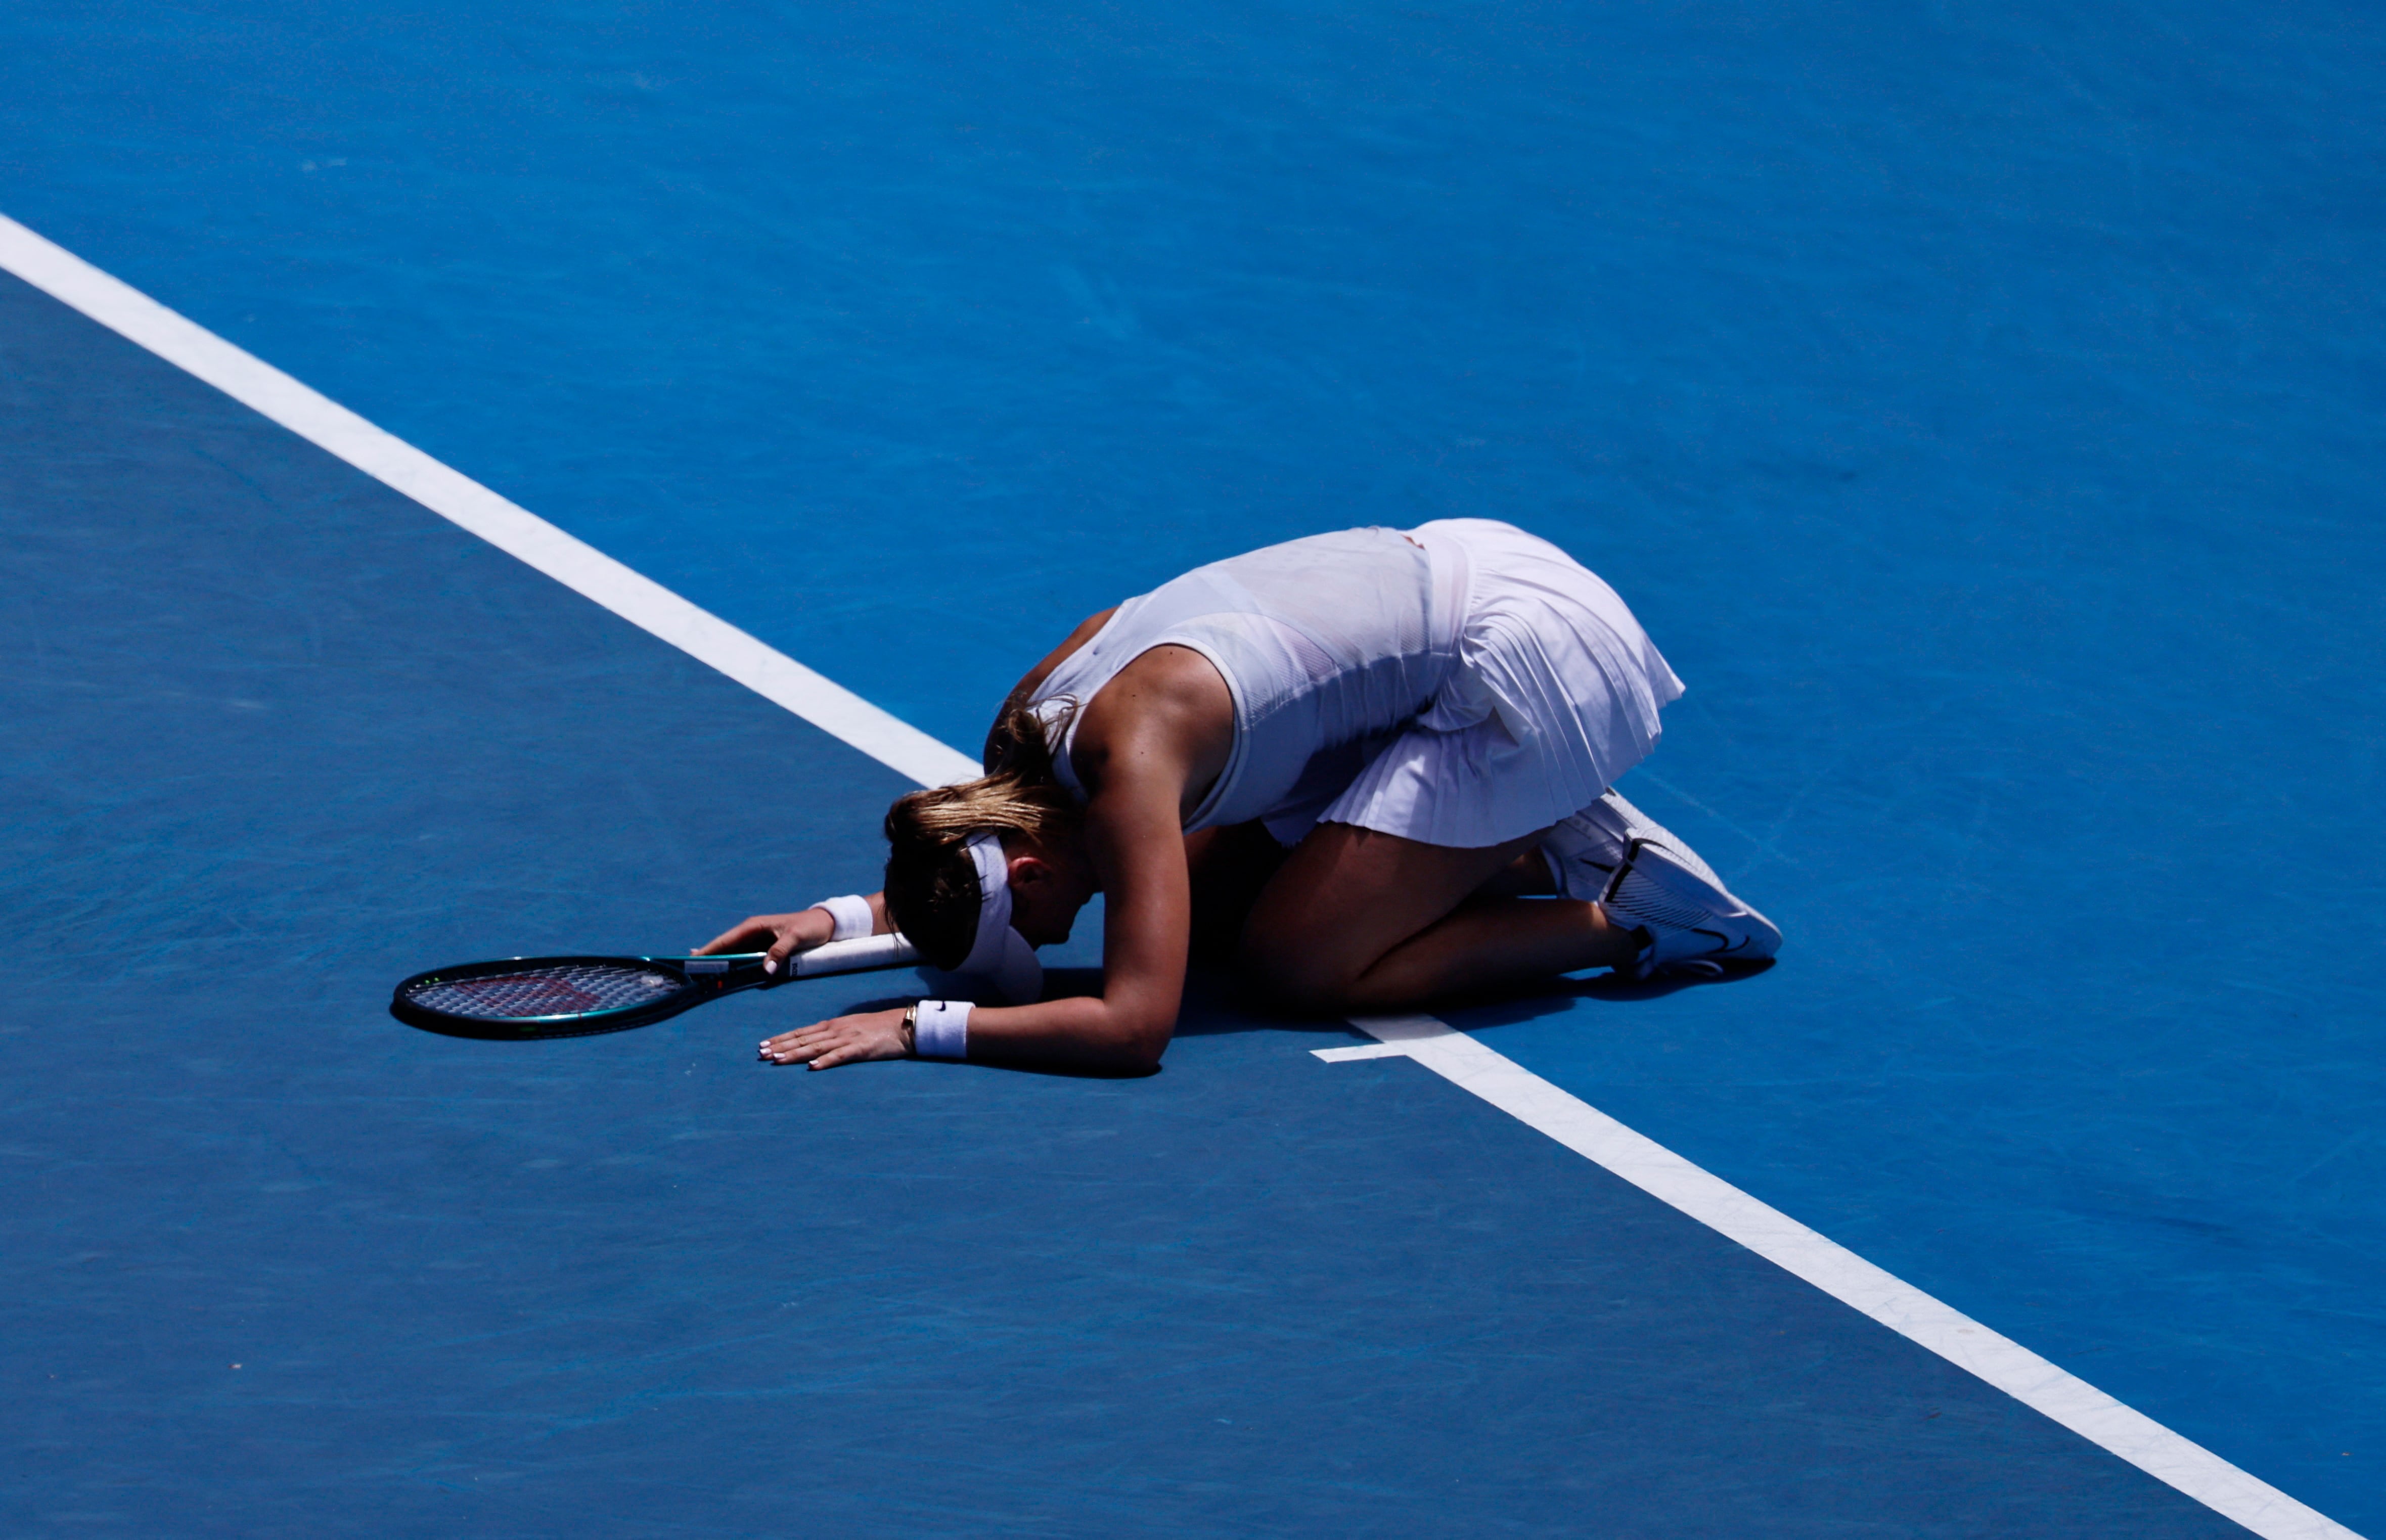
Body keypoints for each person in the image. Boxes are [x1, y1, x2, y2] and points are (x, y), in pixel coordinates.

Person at [698, 520, 1778, 1073]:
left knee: (1290, 964)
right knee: (1201, 917)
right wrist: (838, 919)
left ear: (1025, 865)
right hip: (1462, 582)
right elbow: (979, 862)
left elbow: (1133, 1028)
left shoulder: (1127, 777)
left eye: (1032, 927)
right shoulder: (1022, 743)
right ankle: (1523, 833)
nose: (1053, 934)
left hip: (1530, 661)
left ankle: (1628, 914)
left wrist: (923, 1026)